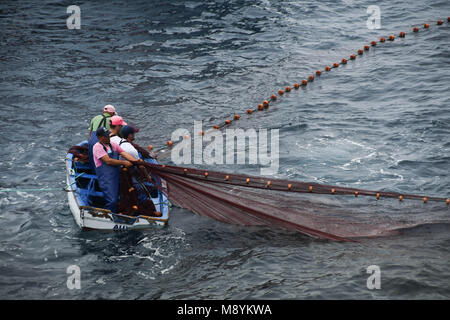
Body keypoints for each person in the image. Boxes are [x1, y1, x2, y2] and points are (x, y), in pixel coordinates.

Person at [92, 126, 137, 213]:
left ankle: (120, 213)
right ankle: (107, 215)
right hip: (106, 178)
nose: (108, 137)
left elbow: (124, 153)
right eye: (105, 136)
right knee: (112, 200)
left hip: (117, 175)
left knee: (126, 195)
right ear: (99, 137)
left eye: (108, 135)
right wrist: (124, 163)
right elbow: (108, 161)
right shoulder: (97, 147)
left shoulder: (113, 144)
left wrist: (136, 161)